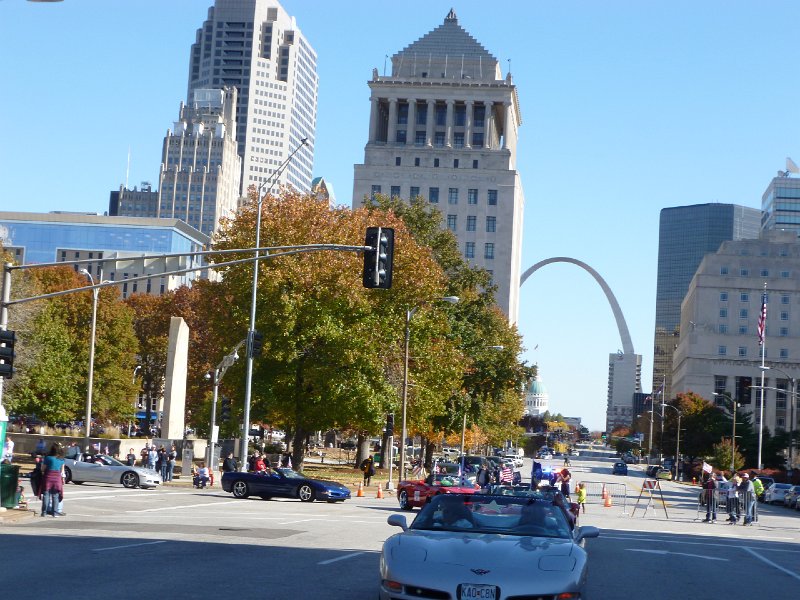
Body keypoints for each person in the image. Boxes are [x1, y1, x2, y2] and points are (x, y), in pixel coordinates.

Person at [40, 443, 65, 517]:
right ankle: (55, 512)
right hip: (57, 478)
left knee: (46, 495)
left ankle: (44, 512)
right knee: (55, 496)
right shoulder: (61, 459)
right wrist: (63, 479)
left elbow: (43, 468)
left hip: (48, 476)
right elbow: (62, 471)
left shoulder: (48, 458)